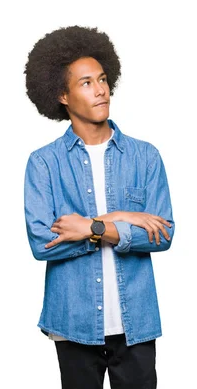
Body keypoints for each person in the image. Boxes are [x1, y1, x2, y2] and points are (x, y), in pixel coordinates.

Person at [23, 26, 174, 389]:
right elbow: (43, 241)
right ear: (62, 95)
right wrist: (121, 219)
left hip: (135, 322)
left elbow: (163, 234)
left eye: (103, 79)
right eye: (87, 83)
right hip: (72, 322)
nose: (101, 89)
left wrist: (90, 226)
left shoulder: (145, 156)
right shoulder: (44, 163)